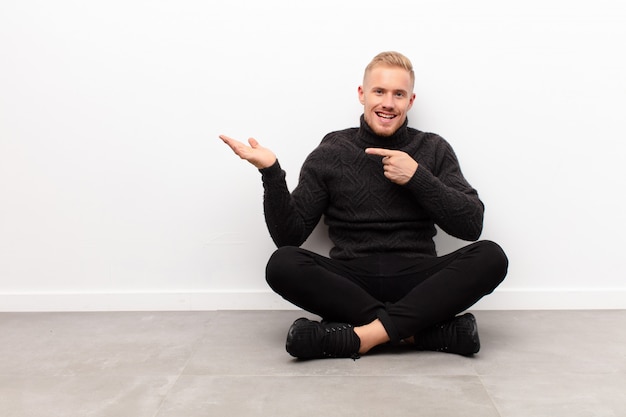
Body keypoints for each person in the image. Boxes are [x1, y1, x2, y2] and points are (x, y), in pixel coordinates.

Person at [219, 51, 508, 360]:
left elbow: (471, 226)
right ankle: (416, 333)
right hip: (350, 280)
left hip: (417, 278)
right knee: (282, 263)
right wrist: (271, 172)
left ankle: (362, 336)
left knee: (491, 256)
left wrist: (417, 177)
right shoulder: (332, 149)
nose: (388, 102)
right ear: (362, 94)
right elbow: (289, 237)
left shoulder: (433, 148)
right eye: (379, 91)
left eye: (399, 94)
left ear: (410, 101)